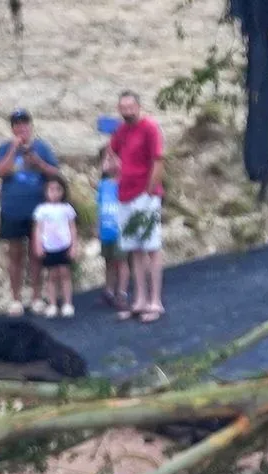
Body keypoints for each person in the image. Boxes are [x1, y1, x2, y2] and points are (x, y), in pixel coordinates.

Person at [105, 91, 167, 320]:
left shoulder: (149, 128)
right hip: (125, 195)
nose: (127, 111)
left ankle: (155, 301)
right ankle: (140, 298)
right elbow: (111, 152)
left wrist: (151, 190)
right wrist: (112, 166)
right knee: (134, 248)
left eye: (131, 107)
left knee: (151, 246)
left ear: (138, 106)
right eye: (123, 107)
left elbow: (158, 160)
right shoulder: (121, 132)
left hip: (144, 194)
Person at [0, 109, 63, 309]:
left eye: (24, 123)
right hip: (12, 208)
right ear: (12, 128)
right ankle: (15, 298)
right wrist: (13, 150)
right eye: (17, 124)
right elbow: (1, 171)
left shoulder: (42, 147)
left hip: (37, 209)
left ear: (30, 126)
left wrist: (38, 163)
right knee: (15, 254)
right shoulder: (4, 147)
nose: (21, 127)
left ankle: (36, 297)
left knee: (36, 254)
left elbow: (55, 173)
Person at [93, 114, 127, 312]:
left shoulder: (122, 184)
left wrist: (115, 147)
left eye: (112, 159)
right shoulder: (103, 185)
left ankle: (121, 292)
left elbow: (121, 166)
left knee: (121, 262)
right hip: (106, 228)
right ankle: (109, 290)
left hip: (121, 229)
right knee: (108, 261)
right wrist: (97, 226)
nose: (109, 162)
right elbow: (100, 207)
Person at [31, 176, 78, 316]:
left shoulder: (67, 209)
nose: (54, 192)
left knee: (65, 274)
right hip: (49, 247)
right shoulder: (41, 210)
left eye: (58, 189)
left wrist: (74, 246)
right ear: (45, 191)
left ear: (63, 191)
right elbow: (38, 229)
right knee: (51, 275)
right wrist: (38, 245)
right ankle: (52, 303)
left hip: (64, 246)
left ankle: (67, 303)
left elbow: (73, 228)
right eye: (51, 189)